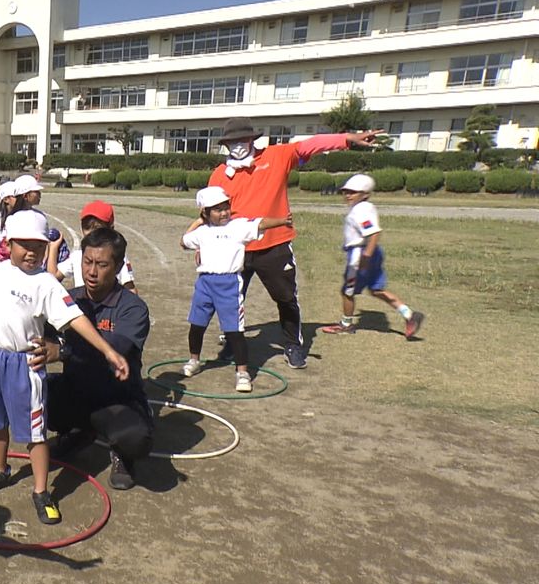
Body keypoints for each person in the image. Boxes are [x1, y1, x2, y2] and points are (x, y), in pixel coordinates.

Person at [0, 210, 129, 525]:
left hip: (24, 364)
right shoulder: (0, 271)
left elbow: (76, 319)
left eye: (39, 246)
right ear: (10, 244)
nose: (31, 252)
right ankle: (0, 470)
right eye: (24, 244)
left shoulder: (46, 283)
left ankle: (41, 491)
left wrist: (108, 350)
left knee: (35, 431)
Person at [208, 117, 381, 369]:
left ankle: (292, 344)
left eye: (241, 140)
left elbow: (311, 145)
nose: (237, 146)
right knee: (231, 299)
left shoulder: (277, 156)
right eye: (231, 142)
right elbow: (211, 214)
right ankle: (233, 343)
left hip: (275, 245)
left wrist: (348, 138)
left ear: (252, 140)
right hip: (235, 248)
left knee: (286, 298)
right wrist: (206, 246)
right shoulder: (219, 175)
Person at [42, 228, 154, 490]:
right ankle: (78, 433)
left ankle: (122, 454)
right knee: (25, 394)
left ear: (117, 268)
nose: (91, 272)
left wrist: (63, 352)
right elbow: (41, 331)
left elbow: (114, 352)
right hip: (74, 389)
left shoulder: (133, 308)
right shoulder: (68, 299)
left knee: (136, 439)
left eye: (102, 264)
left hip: (115, 398)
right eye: (87, 262)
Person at [181, 186, 293, 393]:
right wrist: (198, 222)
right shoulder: (202, 232)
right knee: (197, 326)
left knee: (234, 331)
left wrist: (282, 221)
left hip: (229, 284)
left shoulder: (237, 227)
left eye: (226, 207)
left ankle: (242, 372)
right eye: (217, 209)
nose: (224, 212)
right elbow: (183, 241)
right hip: (205, 283)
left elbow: (260, 223)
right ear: (205, 212)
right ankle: (194, 360)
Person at [320, 174, 425, 338]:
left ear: (365, 194)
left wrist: (366, 256)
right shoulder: (367, 207)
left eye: (353, 192)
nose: (348, 195)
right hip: (373, 252)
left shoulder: (360, 210)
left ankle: (346, 324)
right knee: (376, 290)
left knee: (347, 291)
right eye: (346, 191)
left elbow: (374, 232)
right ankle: (409, 314)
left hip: (360, 253)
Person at [54, 200, 137, 292]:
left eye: (97, 228)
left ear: (111, 229)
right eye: (87, 227)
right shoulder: (77, 256)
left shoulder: (116, 257)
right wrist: (53, 248)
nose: (91, 233)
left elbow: (130, 289)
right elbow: (54, 277)